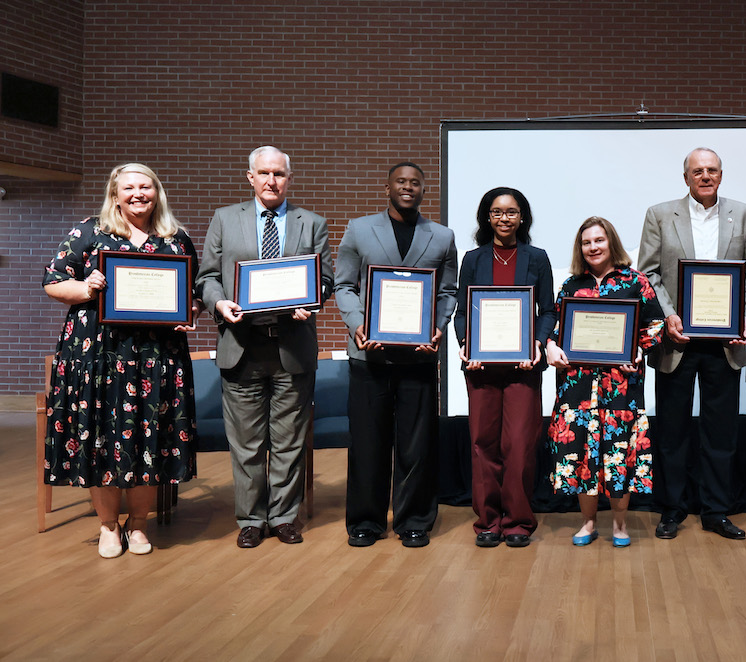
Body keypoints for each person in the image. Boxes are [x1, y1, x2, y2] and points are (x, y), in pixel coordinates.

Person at [43, 163, 198, 558]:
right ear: (115, 194)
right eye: (129, 187)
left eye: (145, 187)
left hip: (157, 358)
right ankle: (109, 526)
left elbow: (192, 292)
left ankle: (140, 525)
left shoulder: (175, 238)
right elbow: (54, 281)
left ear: (157, 192)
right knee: (101, 440)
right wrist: (86, 286)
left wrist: (189, 312)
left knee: (152, 437)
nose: (138, 194)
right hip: (97, 355)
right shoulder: (89, 232)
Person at [196, 146, 333, 548]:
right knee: (247, 444)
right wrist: (219, 303)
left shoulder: (313, 223)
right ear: (250, 177)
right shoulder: (224, 219)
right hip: (241, 345)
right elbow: (207, 277)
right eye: (264, 173)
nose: (272, 181)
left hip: (292, 346)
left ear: (290, 178)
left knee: (290, 441)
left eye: (279, 174)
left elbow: (323, 279)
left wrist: (313, 300)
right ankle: (252, 519)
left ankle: (284, 517)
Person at [638, 147, 746, 541]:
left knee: (721, 432)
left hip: (725, 342)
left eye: (711, 170)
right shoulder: (659, 214)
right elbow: (649, 274)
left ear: (721, 176)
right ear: (686, 176)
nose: (705, 176)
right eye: (698, 171)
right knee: (672, 431)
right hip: (677, 341)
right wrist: (669, 316)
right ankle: (672, 509)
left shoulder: (743, 213)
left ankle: (716, 511)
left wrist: (745, 316)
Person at [333, 161, 457, 548]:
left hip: (419, 357)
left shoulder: (441, 235)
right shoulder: (359, 228)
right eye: (401, 182)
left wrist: (438, 326)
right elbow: (343, 285)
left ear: (423, 190)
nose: (408, 188)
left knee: (416, 445)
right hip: (369, 355)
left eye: (415, 183)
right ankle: (366, 522)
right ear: (387, 187)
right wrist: (356, 323)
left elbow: (448, 292)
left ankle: (414, 520)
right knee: (368, 443)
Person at [546, 217, 664, 547]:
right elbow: (556, 329)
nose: (593, 247)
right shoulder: (570, 286)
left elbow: (655, 326)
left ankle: (620, 525)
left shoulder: (635, 282)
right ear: (580, 248)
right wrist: (551, 346)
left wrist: (640, 348)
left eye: (599, 240)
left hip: (620, 387)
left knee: (619, 454)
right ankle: (587, 523)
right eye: (587, 242)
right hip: (578, 387)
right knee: (581, 453)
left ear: (611, 242)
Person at [453, 187, 555, 548]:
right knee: (483, 444)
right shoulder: (473, 258)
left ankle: (518, 521)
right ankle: (488, 521)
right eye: (497, 212)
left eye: (511, 212)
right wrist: (466, 343)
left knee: (520, 444)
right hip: (481, 367)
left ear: (522, 217)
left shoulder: (537, 258)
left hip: (523, 366)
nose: (504, 218)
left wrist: (539, 342)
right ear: (487, 218)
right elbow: (463, 311)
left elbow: (548, 311)